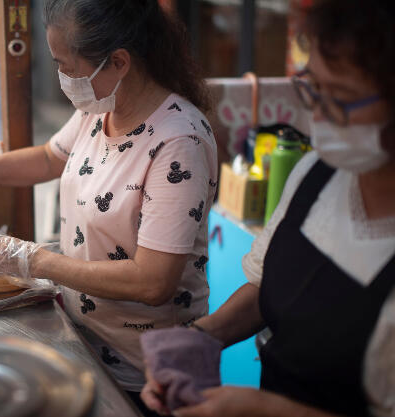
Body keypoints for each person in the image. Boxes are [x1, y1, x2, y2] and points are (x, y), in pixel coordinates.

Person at [0, 0, 217, 411]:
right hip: (86, 335)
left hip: (150, 369)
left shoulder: (178, 142)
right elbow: (50, 158)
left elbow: (153, 283)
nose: (63, 78)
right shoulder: (100, 107)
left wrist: (36, 261)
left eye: (67, 66)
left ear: (118, 61)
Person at [140, 0, 395, 416]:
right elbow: (267, 287)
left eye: (341, 98)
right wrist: (201, 336)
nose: (318, 113)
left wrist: (264, 410)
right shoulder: (317, 172)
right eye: (314, 89)